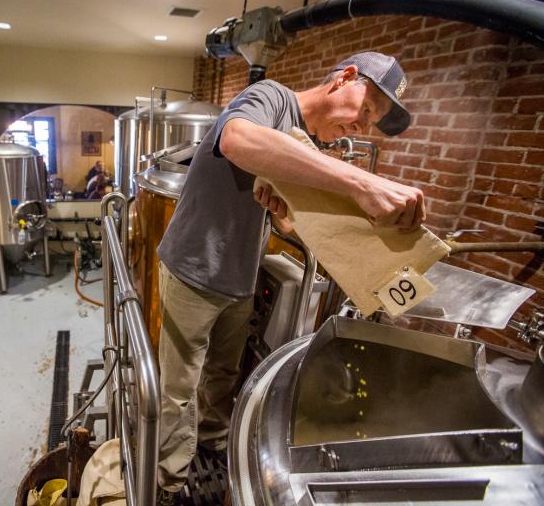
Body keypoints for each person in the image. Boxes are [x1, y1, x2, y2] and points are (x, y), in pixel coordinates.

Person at [155, 51, 424, 505]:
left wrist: (289, 215)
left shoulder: (306, 145)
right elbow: (237, 139)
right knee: (179, 388)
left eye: (371, 123)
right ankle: (169, 481)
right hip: (194, 271)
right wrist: (364, 184)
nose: (361, 127)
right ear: (346, 77)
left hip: (239, 276)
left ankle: (214, 444)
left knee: (223, 374)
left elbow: (286, 220)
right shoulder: (272, 97)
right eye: (366, 109)